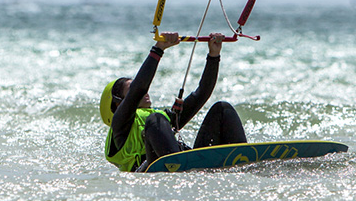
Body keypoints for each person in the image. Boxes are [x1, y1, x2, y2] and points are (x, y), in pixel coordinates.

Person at [99, 32, 247, 172]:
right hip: (152, 172)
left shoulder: (163, 121)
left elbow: (202, 93)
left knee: (222, 109)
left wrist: (214, 55)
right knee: (155, 120)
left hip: (188, 168)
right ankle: (179, 169)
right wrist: (158, 48)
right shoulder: (120, 127)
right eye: (130, 90)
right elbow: (138, 89)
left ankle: (245, 160)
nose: (145, 92)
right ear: (118, 104)